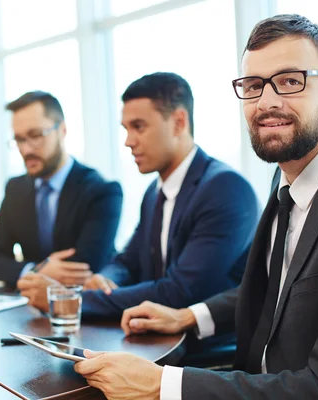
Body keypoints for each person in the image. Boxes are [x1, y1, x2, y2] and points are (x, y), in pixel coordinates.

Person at [73, 14, 318, 400]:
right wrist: (190, 316)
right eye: (254, 85)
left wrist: (163, 386)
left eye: (291, 81)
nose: (267, 102)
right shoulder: (290, 174)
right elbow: (277, 290)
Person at [18, 73, 259, 324]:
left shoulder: (225, 189)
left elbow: (180, 291)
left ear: (178, 122)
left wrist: (69, 300)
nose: (128, 141)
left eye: (138, 127)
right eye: (126, 129)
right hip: (155, 335)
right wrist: (107, 279)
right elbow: (127, 261)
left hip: (208, 351)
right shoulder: (154, 192)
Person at [0, 91, 123, 287]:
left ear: (62, 130)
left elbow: (85, 267)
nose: (26, 149)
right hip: (28, 305)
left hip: (81, 306)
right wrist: (36, 270)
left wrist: (33, 272)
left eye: (36, 135)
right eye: (19, 139)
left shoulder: (102, 191)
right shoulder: (16, 188)